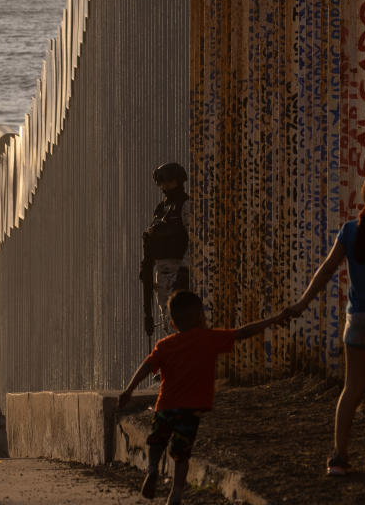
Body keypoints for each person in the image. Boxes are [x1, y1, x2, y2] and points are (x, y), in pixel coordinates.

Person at [286, 169, 365, 475]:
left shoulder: (350, 231)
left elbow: (326, 269)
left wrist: (302, 303)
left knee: (352, 388)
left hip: (356, 319)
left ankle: (339, 457)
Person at [119, 290, 287, 504]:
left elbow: (146, 367)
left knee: (156, 442)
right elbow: (242, 333)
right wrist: (274, 319)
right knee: (182, 455)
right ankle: (176, 494)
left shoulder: (165, 345)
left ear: (172, 324)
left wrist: (129, 390)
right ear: (201, 317)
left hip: (165, 407)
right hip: (190, 410)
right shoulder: (208, 339)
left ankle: (152, 469)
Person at [139, 162, 192, 337]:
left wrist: (184, 272)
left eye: (168, 182)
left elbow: (194, 242)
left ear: (178, 181)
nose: (164, 187)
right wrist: (148, 314)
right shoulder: (161, 210)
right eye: (161, 183)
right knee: (169, 328)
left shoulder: (185, 206)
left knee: (181, 329)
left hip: (179, 275)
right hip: (161, 277)